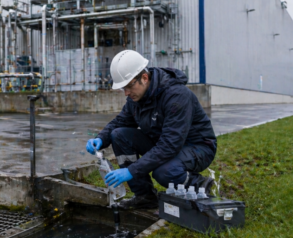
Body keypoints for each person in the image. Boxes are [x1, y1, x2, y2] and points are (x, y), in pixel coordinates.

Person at [86, 50, 217, 209]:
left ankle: (199, 184)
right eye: (123, 88)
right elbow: (121, 121)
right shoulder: (136, 97)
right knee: (119, 135)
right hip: (164, 143)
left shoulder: (176, 96)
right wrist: (101, 138)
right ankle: (144, 196)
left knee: (164, 172)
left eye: (128, 86)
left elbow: (170, 145)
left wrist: (131, 170)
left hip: (197, 147)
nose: (126, 93)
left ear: (144, 78)